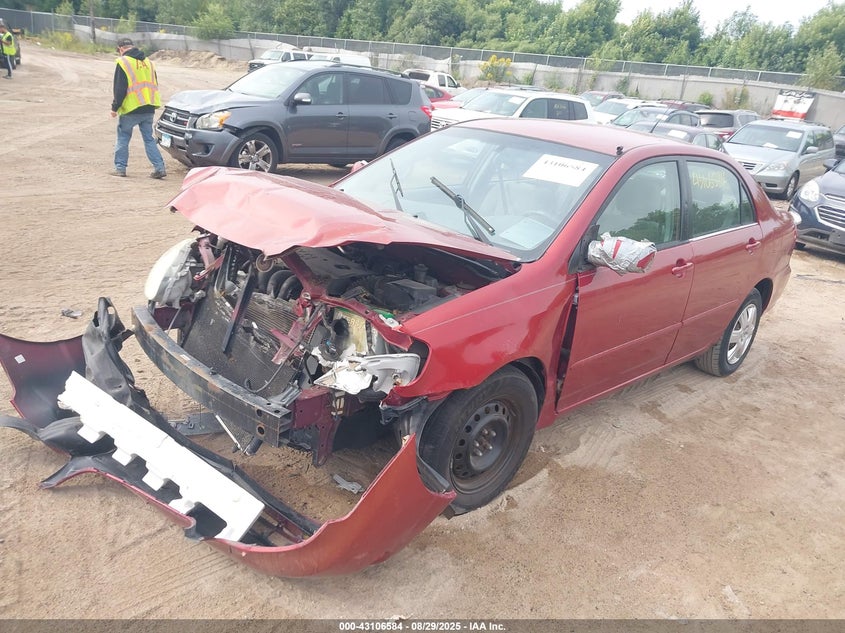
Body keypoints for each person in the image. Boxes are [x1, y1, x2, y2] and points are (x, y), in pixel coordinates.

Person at [110, 37, 166, 178]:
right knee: (148, 138)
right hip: (148, 106)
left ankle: (120, 168)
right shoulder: (149, 62)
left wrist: (115, 107)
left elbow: (119, 88)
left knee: (123, 137)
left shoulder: (123, 62)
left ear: (121, 49)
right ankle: (159, 168)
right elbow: (154, 83)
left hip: (131, 107)